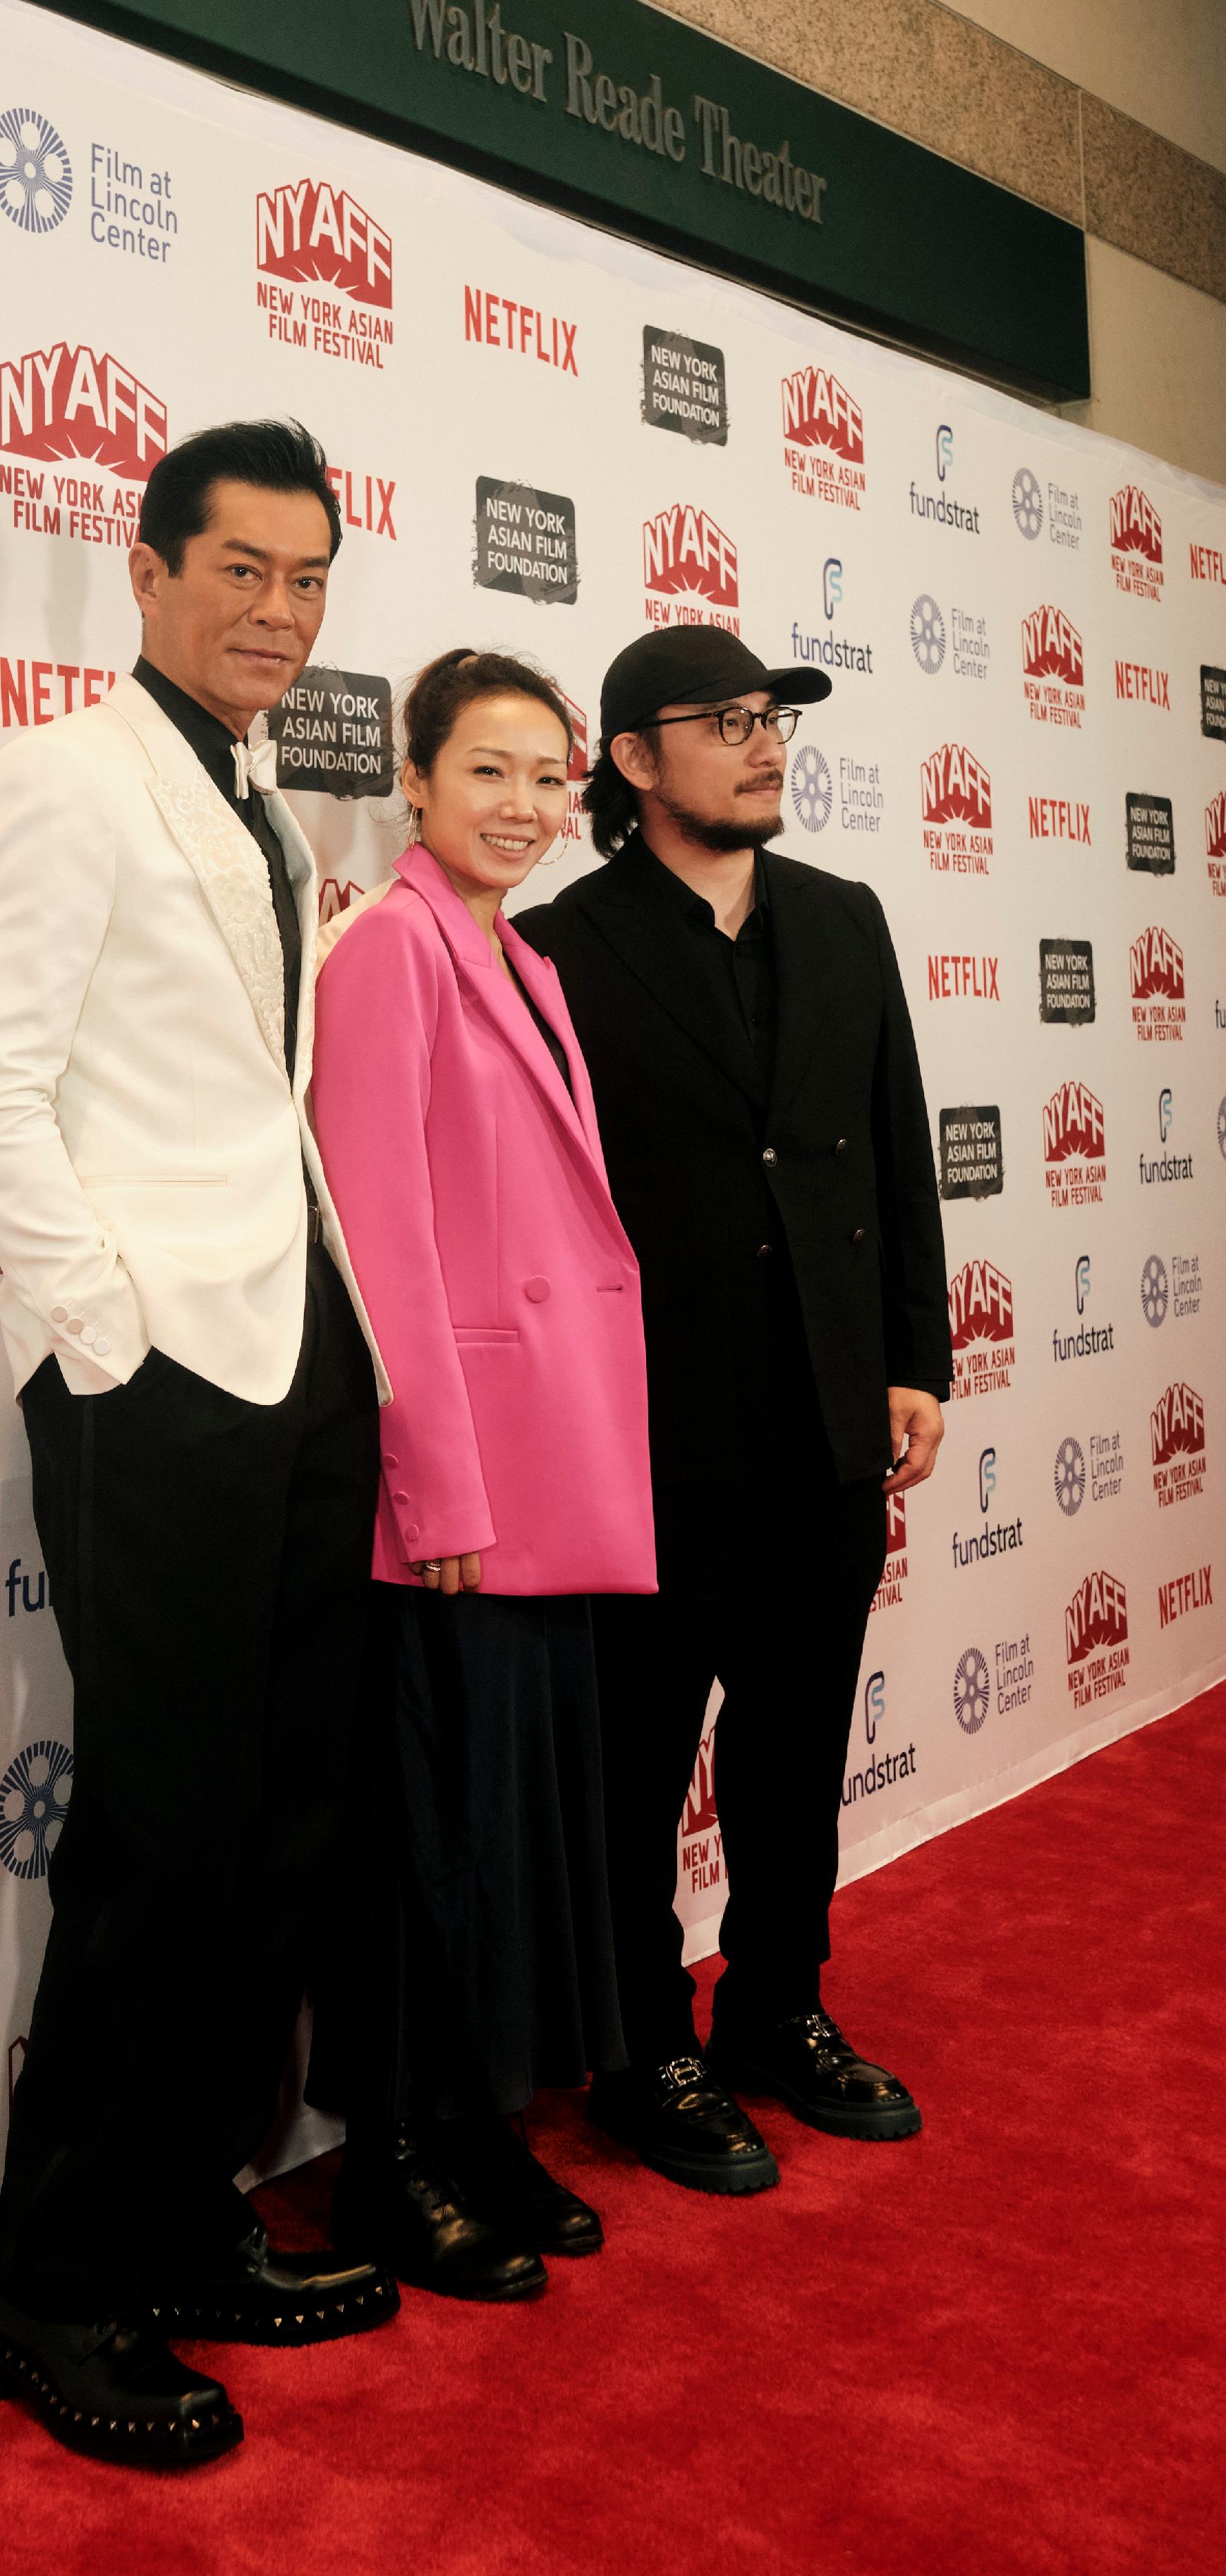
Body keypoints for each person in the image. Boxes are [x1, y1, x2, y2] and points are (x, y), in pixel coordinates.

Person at [0, 419, 397, 2472]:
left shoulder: (276, 813)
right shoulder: (64, 777)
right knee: (162, 1836)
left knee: (284, 1822)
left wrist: (310, 1358)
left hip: (302, 1362)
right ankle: (49, 2291)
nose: (278, 616)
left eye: (307, 581)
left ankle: (189, 2216)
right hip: (164, 1386)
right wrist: (110, 1350)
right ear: (145, 568)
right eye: (241, 571)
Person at [518, 624, 949, 2196]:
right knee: (637, 1763)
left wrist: (917, 1353)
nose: (764, 745)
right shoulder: (560, 947)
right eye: (724, 723)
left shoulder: (845, 920)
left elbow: (891, 1148)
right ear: (633, 762)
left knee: (791, 1745)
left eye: (772, 719)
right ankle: (641, 2045)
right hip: (651, 1435)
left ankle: (779, 2003)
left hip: (830, 1417)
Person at [308, 649, 657, 2300]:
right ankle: (388, 2154)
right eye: (488, 773)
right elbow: (378, 1236)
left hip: (554, 1468)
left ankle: (479, 2122)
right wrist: (432, 1491)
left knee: (513, 1830)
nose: (523, 805)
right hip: (456, 1492)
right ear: (416, 785)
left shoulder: (522, 957)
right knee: (427, 1841)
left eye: (547, 776)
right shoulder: (386, 952)